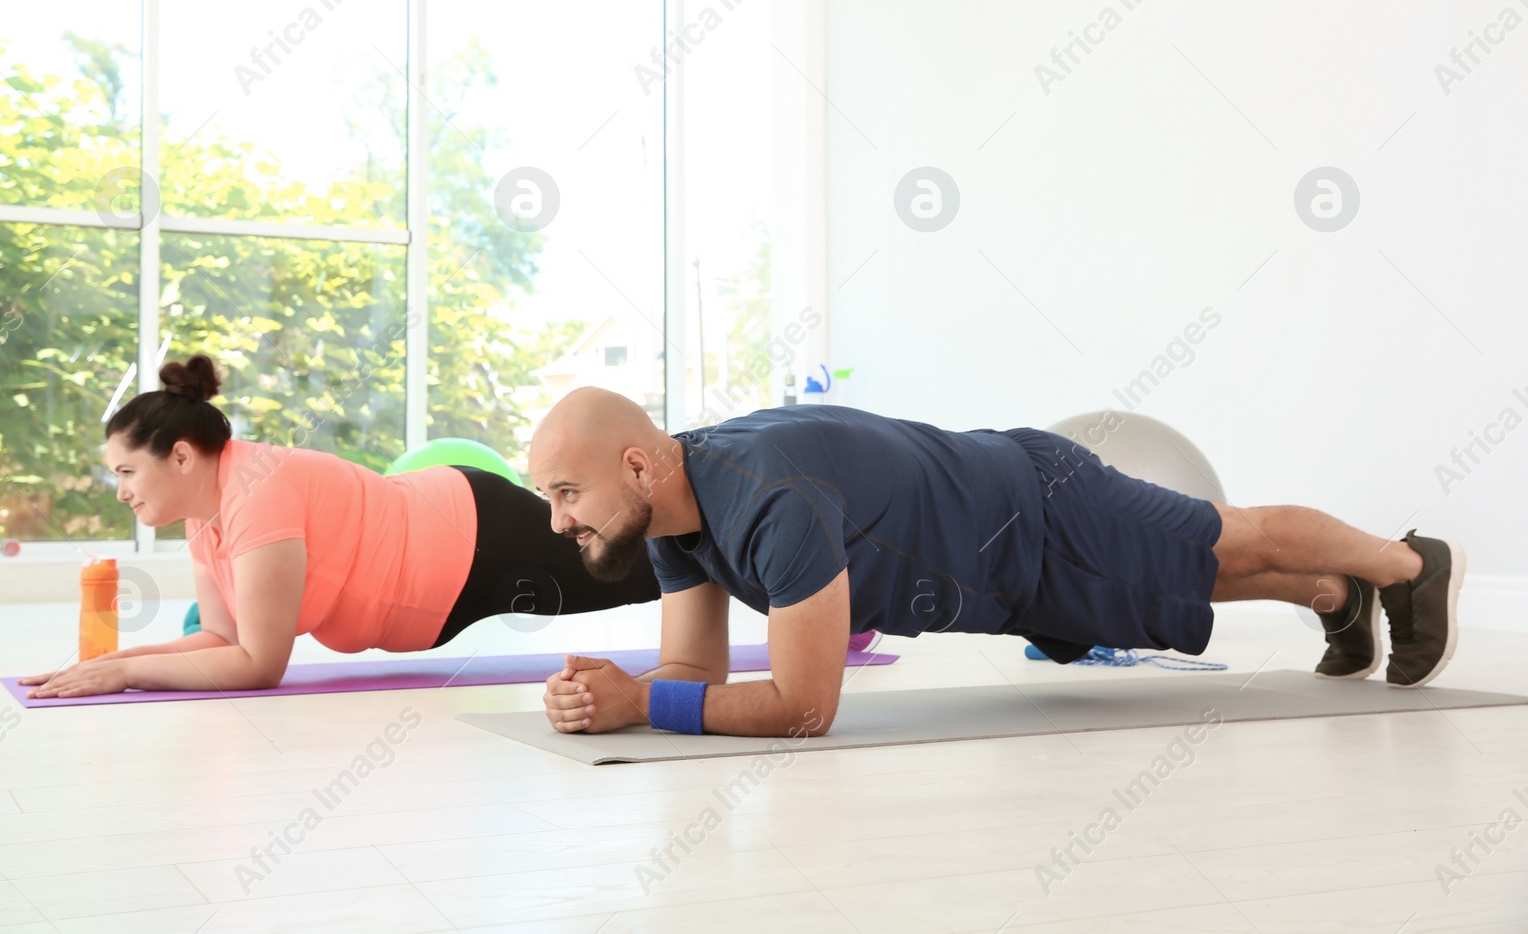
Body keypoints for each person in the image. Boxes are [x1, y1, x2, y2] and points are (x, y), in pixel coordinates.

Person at [531, 388, 1464, 738]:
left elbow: (805, 708)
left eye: (566, 492)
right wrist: (617, 696)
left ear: (637, 464)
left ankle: (1406, 560)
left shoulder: (772, 496)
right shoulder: (666, 518)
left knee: (1232, 539)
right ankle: (1339, 591)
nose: (557, 518)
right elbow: (694, 670)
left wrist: (643, 701)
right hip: (1005, 577)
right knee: (1189, 584)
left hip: (1038, 498)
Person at [18, 358, 659, 699]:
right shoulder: (202, 515)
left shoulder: (255, 493)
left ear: (181, 456)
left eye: (128, 472)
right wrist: (108, 663)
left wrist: (127, 674)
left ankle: (731, 534)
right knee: (651, 569)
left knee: (646, 571)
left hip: (474, 540)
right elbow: (220, 635)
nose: (122, 492)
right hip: (449, 567)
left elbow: (256, 665)